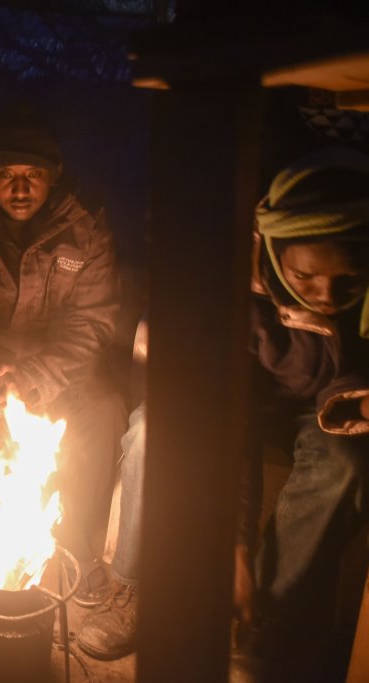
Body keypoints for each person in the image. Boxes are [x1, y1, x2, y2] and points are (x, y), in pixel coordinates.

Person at [78, 147, 369, 681]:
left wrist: (356, 394)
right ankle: (137, 588)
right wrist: (233, 544)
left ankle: (263, 617)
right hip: (240, 396)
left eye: (347, 281)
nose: (328, 295)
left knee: (346, 458)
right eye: (306, 278)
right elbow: (224, 422)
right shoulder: (232, 282)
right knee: (153, 429)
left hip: (325, 404)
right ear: (276, 250)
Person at [0, 103, 127, 604]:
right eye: (7, 176)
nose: (19, 189)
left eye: (33, 175)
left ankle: (75, 548)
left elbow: (94, 321)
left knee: (104, 415)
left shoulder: (86, 227)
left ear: (53, 177)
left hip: (62, 369)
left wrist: (34, 378)